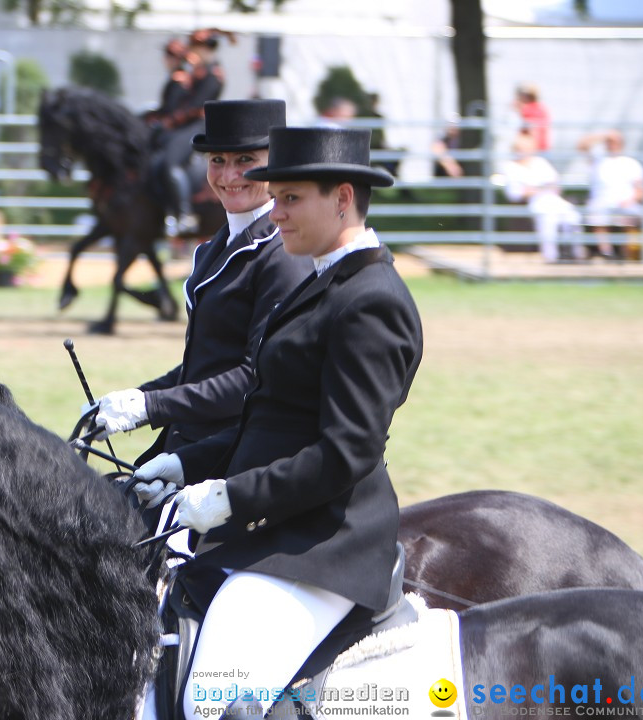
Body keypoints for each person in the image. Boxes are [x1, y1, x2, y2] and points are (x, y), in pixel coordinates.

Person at [133, 126, 423, 720]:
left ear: (342, 198)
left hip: (324, 544)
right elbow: (272, 418)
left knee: (212, 703)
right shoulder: (319, 279)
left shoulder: (372, 300)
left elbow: (346, 452)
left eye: (290, 199)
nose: (277, 212)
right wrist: (188, 462)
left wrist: (229, 497)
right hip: (270, 530)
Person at [90, 100, 313, 470]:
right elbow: (205, 366)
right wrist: (136, 397)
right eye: (217, 161)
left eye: (245, 161)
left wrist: (152, 406)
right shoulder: (213, 248)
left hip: (235, 455)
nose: (228, 176)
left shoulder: (282, 255)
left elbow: (255, 378)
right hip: (187, 440)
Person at [151, 29, 228, 238]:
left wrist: (170, 121)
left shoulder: (213, 74)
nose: (191, 52)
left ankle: (185, 215)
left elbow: (196, 106)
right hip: (189, 125)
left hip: (200, 125)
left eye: (195, 48)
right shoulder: (197, 71)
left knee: (171, 162)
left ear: (205, 48)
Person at [501, 130, 582, 263]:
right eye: (521, 148)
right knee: (548, 219)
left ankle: (574, 253)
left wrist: (533, 188)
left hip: (553, 200)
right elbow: (514, 193)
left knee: (573, 217)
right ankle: (551, 256)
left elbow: (555, 183)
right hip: (534, 203)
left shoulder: (540, 162)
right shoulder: (510, 167)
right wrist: (540, 189)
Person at [576, 129, 643, 259]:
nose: (612, 144)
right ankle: (607, 253)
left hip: (625, 202)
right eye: (609, 142)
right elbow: (581, 145)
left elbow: (641, 191)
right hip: (601, 202)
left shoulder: (631, 163)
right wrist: (604, 135)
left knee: (630, 214)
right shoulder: (598, 160)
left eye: (614, 141)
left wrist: (630, 200)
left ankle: (624, 254)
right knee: (597, 212)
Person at [514, 83, 551, 153]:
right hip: (542, 148)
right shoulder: (541, 108)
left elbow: (533, 132)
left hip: (533, 150)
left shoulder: (528, 110)